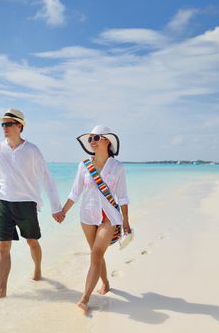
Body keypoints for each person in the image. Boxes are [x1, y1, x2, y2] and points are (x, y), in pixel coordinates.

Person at [0, 108, 65, 300]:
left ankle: (38, 270)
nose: (4, 127)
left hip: (27, 203)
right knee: (3, 247)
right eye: (2, 124)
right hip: (4, 203)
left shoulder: (32, 150)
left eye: (8, 124)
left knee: (32, 241)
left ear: (19, 126)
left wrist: (56, 207)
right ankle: (1, 290)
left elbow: (46, 178)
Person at [61, 125, 131, 313]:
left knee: (96, 254)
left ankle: (84, 298)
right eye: (90, 139)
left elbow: (123, 196)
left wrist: (126, 222)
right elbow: (75, 192)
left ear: (107, 140)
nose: (92, 142)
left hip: (109, 218)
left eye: (96, 138)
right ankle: (106, 283)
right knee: (96, 254)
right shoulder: (84, 165)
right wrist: (63, 211)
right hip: (87, 216)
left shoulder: (118, 167)